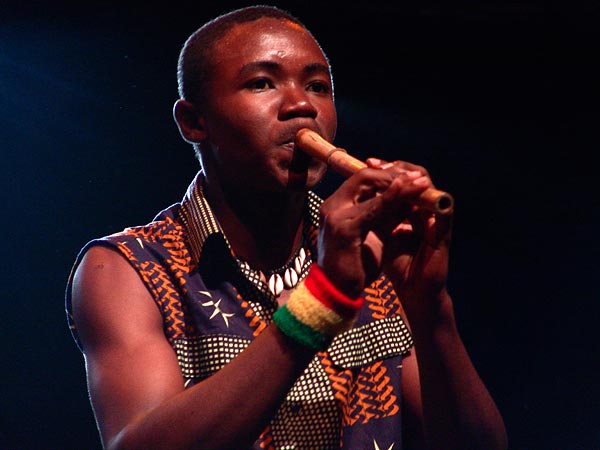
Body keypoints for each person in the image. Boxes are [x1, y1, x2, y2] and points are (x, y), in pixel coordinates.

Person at [66, 5, 507, 450]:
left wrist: (430, 308)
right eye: (261, 83)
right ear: (193, 121)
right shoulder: (127, 269)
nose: (302, 106)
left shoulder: (372, 249)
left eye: (318, 86)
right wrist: (323, 300)